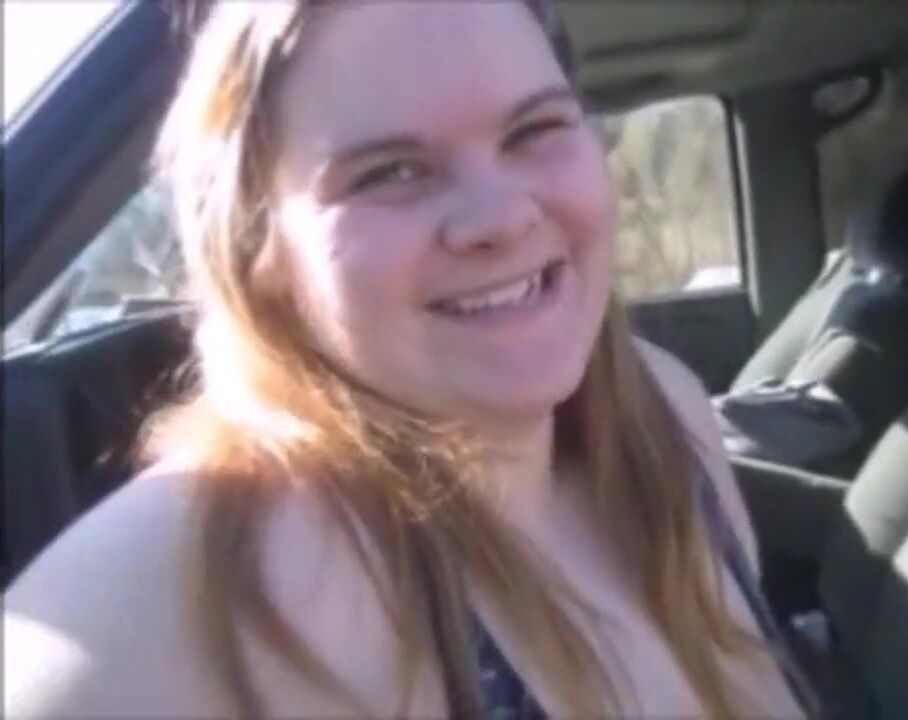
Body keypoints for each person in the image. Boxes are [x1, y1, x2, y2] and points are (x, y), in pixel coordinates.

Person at [4, 1, 818, 717]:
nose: (499, 218)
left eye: (534, 130)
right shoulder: (193, 578)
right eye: (389, 173)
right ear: (258, 244)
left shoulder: (668, 423)